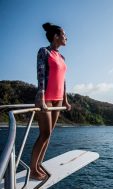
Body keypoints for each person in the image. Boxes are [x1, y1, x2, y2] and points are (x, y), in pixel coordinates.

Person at [30, 22, 71, 180]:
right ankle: (33, 169)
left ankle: (39, 164)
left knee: (49, 134)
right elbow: (40, 74)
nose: (66, 37)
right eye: (64, 34)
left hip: (58, 100)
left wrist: (66, 101)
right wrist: (40, 96)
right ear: (56, 36)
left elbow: (63, 80)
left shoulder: (62, 56)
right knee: (44, 133)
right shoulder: (44, 52)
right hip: (45, 98)